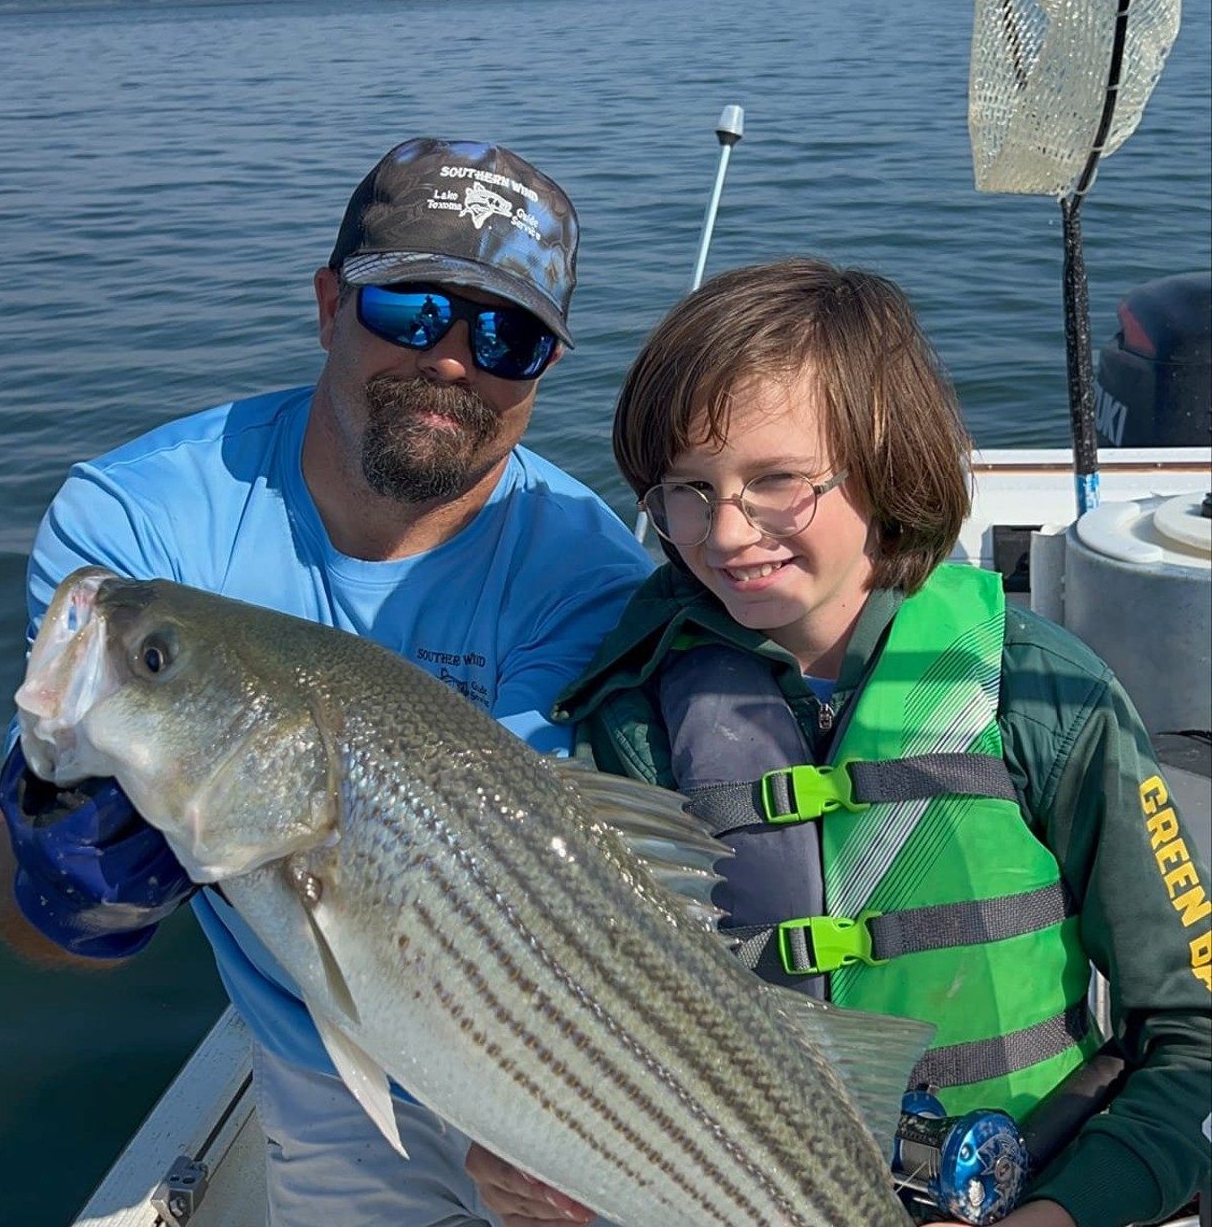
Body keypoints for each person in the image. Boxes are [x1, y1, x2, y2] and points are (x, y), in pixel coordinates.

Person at [0, 136, 656, 1227]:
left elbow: (541, 912)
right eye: (411, 311)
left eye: (507, 335)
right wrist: (64, 881)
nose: (452, 360)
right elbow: (20, 917)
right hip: (319, 1064)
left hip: (554, 1057)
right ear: (330, 303)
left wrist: (547, 1122)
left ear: (546, 369)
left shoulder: (593, 582)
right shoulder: (135, 534)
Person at [467, 257, 1212, 1227]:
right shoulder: (632, 718)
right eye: (686, 488)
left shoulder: (1044, 697)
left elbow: (1190, 1035)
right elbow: (587, 1018)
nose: (726, 532)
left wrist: (1064, 1213)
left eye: (776, 481)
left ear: (885, 463)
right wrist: (520, 1151)